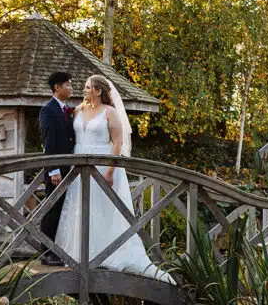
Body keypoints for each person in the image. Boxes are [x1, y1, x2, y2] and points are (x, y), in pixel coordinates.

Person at [55, 74, 173, 282]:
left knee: (104, 210)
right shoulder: (78, 111)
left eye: (87, 86)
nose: (83, 90)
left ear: (98, 91)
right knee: (82, 208)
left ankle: (108, 253)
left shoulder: (110, 113)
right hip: (80, 166)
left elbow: (117, 143)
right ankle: (81, 254)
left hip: (102, 166)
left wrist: (110, 170)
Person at [38, 71, 75, 266]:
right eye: (68, 85)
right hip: (56, 171)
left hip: (70, 169)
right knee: (52, 208)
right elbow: (49, 142)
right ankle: (46, 253)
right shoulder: (48, 110)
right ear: (57, 88)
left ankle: (59, 249)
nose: (71, 88)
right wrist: (53, 170)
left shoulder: (67, 110)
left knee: (63, 209)